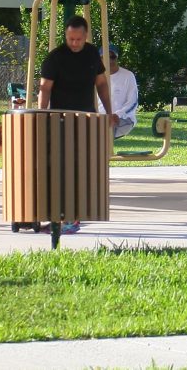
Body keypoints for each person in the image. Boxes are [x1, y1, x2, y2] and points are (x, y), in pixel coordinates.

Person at [37, 15, 117, 234]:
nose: (74, 43)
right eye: (71, 39)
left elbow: (101, 83)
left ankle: (73, 217)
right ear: (66, 36)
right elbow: (45, 89)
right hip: (59, 121)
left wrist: (108, 112)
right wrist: (42, 116)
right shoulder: (55, 58)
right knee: (59, 169)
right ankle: (58, 216)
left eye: (78, 39)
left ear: (86, 36)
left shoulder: (92, 53)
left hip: (86, 121)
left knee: (80, 169)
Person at [98, 44, 138, 139]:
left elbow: (133, 102)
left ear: (117, 58)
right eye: (105, 57)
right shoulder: (95, 77)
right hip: (99, 120)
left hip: (123, 119)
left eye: (112, 57)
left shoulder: (128, 76)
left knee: (104, 131)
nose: (110, 60)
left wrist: (117, 115)